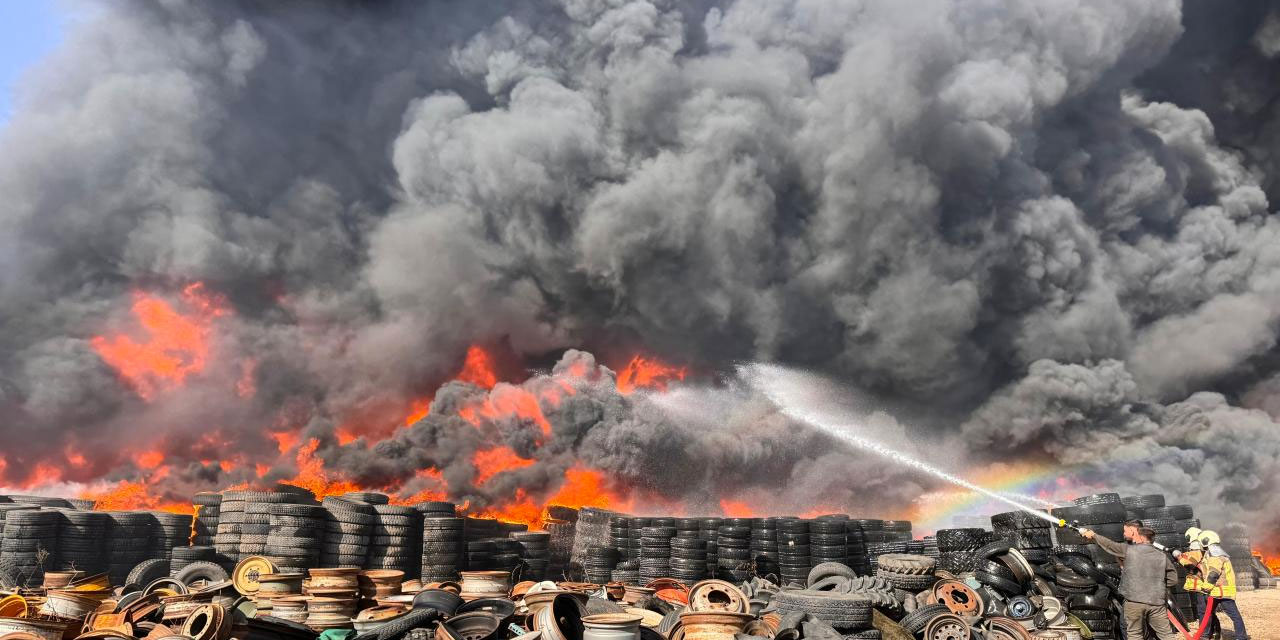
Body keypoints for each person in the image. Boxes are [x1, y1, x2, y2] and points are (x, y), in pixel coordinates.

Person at [1081, 521, 1180, 640]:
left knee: (1134, 634)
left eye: (1126, 531)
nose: (1125, 534)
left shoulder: (1128, 550)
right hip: (1156, 603)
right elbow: (1173, 580)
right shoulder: (1162, 556)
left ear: (1139, 536)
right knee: (1166, 635)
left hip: (1134, 601)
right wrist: (1155, 585)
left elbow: (1110, 545)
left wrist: (1094, 535)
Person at [1193, 530, 1249, 640]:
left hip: (1222, 592)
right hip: (1216, 591)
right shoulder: (1214, 554)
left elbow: (1213, 573)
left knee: (1233, 615)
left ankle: (1241, 637)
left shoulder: (1215, 555)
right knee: (1207, 613)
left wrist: (1206, 587)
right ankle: (1205, 635)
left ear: (1205, 541)